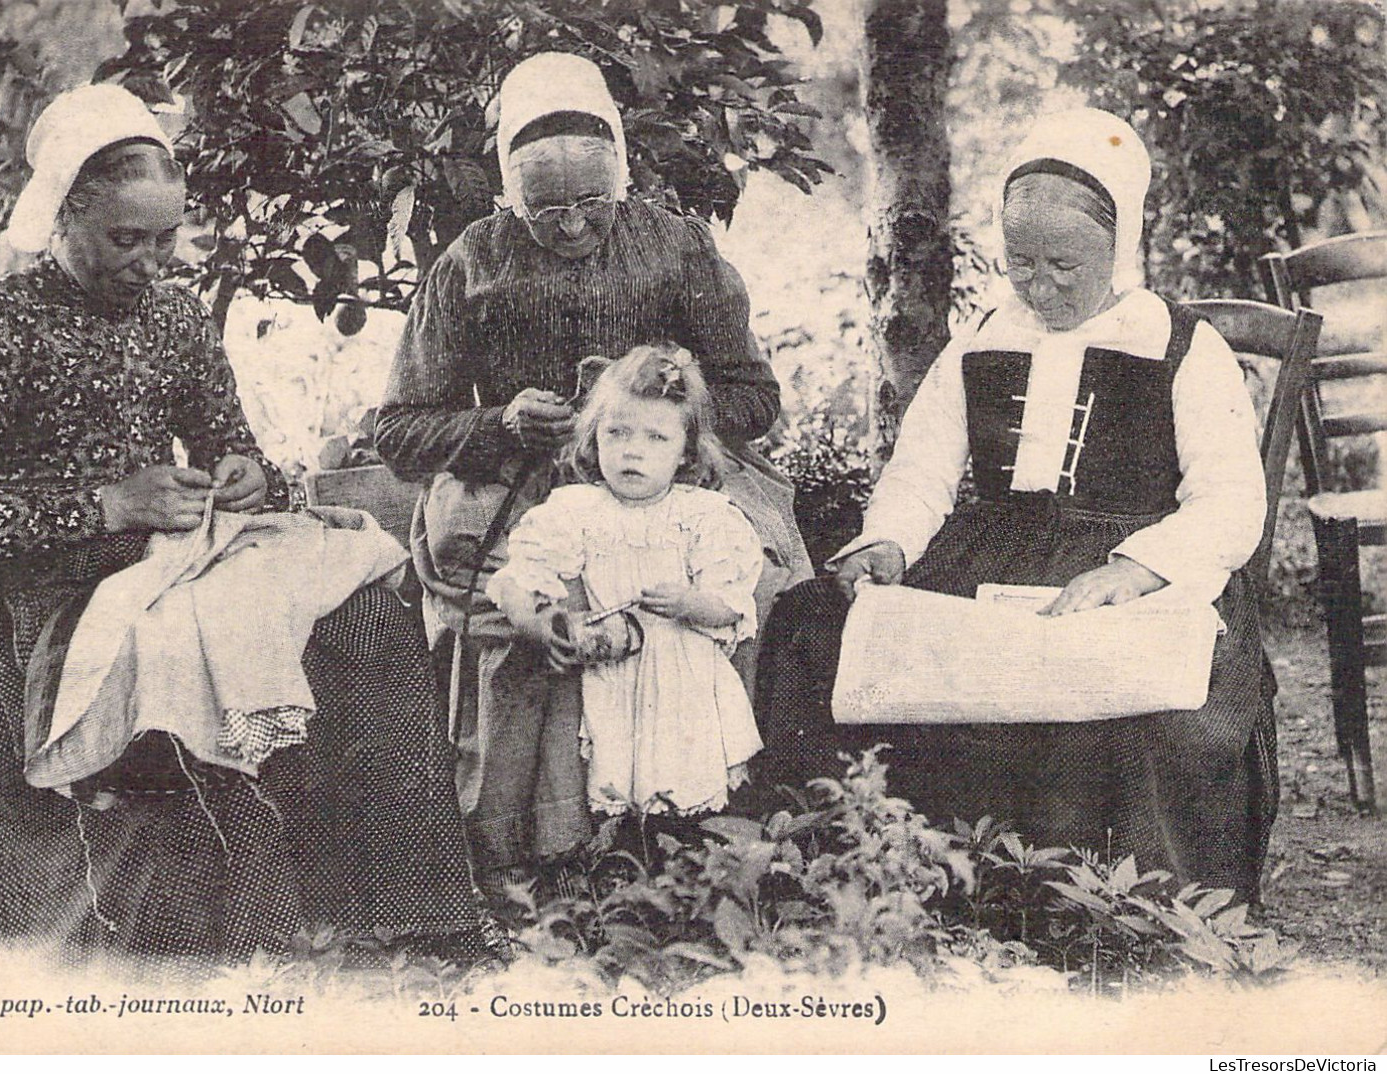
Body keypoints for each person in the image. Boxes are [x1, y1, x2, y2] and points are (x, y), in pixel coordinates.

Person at [0, 83, 481, 962]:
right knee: (184, 688)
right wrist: (105, 503)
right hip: (24, 605)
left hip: (159, 570)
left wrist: (246, 475)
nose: (149, 260)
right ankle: (215, 935)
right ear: (59, 218)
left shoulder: (173, 315)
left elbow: (229, 442)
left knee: (362, 618)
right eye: (123, 238)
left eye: (165, 237)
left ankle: (399, 911)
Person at [755, 108, 1277, 901]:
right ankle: (887, 883)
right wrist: (887, 540)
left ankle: (1115, 913)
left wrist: (1134, 570)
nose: (1039, 286)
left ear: (1121, 242)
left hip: (1134, 570)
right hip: (990, 556)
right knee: (817, 631)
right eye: (1020, 264)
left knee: (1146, 707)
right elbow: (922, 471)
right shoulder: (982, 338)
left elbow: (1231, 501)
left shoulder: (1177, 344)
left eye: (1063, 265)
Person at [375, 52, 807, 898]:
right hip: (516, 476)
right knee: (515, 603)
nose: (573, 228)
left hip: (666, 464)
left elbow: (754, 397)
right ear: (507, 193)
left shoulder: (677, 246)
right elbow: (398, 430)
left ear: (623, 175)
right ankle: (523, 849)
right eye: (546, 212)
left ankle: (701, 823)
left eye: (592, 205)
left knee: (741, 577)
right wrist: (497, 421)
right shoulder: (470, 260)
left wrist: (657, 406)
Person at [486, 346, 765, 819]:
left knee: (685, 785)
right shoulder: (577, 511)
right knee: (613, 777)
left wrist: (690, 602)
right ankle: (610, 859)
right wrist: (540, 623)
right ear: (594, 441)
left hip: (683, 677)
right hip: (611, 670)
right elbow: (519, 577)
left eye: (656, 438)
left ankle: (684, 850)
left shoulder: (704, 516)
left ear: (685, 453)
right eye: (616, 433)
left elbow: (731, 607)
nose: (632, 450)